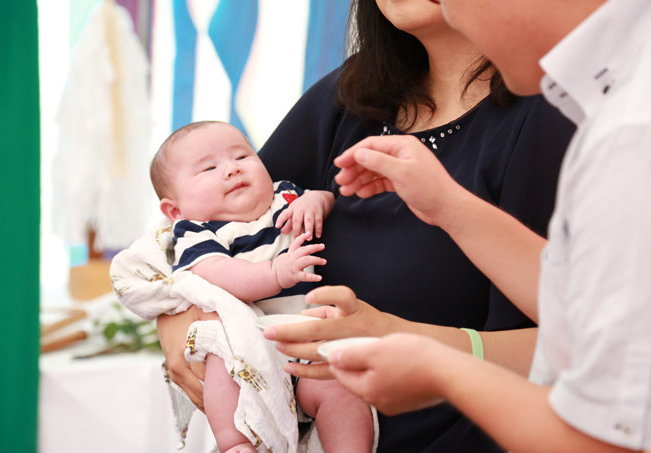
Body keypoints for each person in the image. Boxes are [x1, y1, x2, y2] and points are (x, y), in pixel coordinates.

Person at [156, 1, 575, 451]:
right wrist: (183, 317)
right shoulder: (350, 95)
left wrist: (405, 341)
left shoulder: (554, 113)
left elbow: (593, 344)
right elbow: (198, 227)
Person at [323, 0, 651, 451]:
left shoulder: (628, 129)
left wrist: (441, 367)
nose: (453, 15)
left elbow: (606, 438)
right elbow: (581, 308)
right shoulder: (616, 102)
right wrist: (447, 205)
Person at [138, 120, 374, 453]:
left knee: (341, 389)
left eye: (242, 156)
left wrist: (315, 202)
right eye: (209, 168)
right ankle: (236, 443)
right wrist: (275, 274)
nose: (232, 170)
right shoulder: (197, 232)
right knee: (222, 363)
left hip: (309, 343)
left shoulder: (285, 197)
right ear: (174, 209)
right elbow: (219, 273)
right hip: (252, 351)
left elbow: (325, 196)